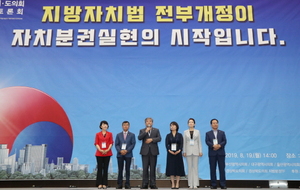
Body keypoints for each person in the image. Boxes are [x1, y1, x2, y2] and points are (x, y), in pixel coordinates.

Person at [138, 117, 161, 189]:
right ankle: (144, 184)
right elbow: (139, 137)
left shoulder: (156, 130)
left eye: (150, 121)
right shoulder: (142, 130)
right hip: (145, 152)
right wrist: (146, 131)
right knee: (145, 168)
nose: (149, 123)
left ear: (152, 123)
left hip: (153, 152)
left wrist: (152, 139)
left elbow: (159, 138)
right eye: (147, 121)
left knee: (153, 168)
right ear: (145, 123)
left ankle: (153, 184)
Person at [205, 119, 227, 189]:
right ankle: (213, 184)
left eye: (216, 123)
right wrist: (213, 146)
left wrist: (219, 145)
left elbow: (224, 141)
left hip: (220, 153)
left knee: (222, 169)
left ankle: (222, 184)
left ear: (218, 124)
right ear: (211, 125)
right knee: (212, 169)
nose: (215, 124)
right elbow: (207, 141)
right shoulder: (208, 133)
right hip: (212, 153)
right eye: (213, 123)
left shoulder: (222, 133)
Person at [115, 121, 136, 189]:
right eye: (124, 125)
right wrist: (120, 151)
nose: (125, 126)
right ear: (122, 126)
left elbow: (133, 144)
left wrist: (127, 150)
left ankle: (127, 184)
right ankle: (119, 184)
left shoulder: (132, 135)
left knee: (127, 170)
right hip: (120, 154)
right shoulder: (118, 135)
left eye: (127, 125)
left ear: (129, 126)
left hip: (128, 154)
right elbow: (116, 144)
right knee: (120, 169)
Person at [183, 118, 203, 189]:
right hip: (188, 151)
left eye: (192, 122)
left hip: (196, 151)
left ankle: (195, 184)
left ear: (194, 124)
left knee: (195, 168)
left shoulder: (197, 131)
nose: (191, 123)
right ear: (188, 124)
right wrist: (184, 151)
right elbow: (184, 142)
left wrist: (200, 151)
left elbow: (199, 142)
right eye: (189, 122)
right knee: (189, 168)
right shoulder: (185, 132)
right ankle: (190, 184)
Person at [165, 121, 185, 189]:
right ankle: (173, 183)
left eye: (174, 125)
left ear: (176, 127)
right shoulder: (168, 135)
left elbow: (181, 143)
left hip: (178, 153)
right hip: (170, 154)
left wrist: (179, 150)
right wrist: (169, 150)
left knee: (178, 168)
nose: (172, 127)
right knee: (171, 168)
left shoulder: (180, 135)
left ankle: (177, 183)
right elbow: (167, 144)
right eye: (171, 126)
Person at [94, 120, 114, 189]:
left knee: (105, 169)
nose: (105, 125)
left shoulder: (110, 134)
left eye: (106, 124)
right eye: (103, 124)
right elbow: (96, 143)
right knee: (99, 169)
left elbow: (111, 143)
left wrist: (107, 150)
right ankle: (99, 183)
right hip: (99, 153)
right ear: (100, 126)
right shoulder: (97, 134)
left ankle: (105, 184)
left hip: (107, 153)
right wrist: (101, 150)